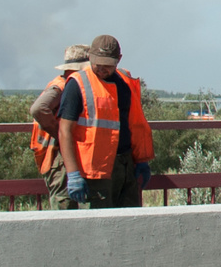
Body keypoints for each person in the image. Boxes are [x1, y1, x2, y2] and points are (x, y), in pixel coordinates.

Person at [55, 34, 155, 209]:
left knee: (130, 223)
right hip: (94, 173)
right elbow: (65, 131)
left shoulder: (125, 81)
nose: (102, 69)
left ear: (118, 60)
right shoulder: (77, 83)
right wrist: (73, 174)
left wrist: (141, 160)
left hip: (125, 166)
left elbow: (134, 123)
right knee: (98, 229)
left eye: (107, 65)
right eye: (97, 64)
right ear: (90, 58)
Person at [29, 44, 90, 206]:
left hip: (58, 155)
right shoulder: (63, 86)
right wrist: (62, 135)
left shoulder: (64, 83)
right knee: (64, 206)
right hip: (58, 156)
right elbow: (38, 109)